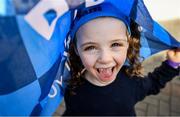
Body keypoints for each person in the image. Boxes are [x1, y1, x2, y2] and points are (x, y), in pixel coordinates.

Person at [63, 3, 180, 116]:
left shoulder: (131, 81)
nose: (105, 59)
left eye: (115, 44)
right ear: (76, 50)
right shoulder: (72, 88)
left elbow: (153, 83)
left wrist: (172, 64)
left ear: (128, 43)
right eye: (90, 47)